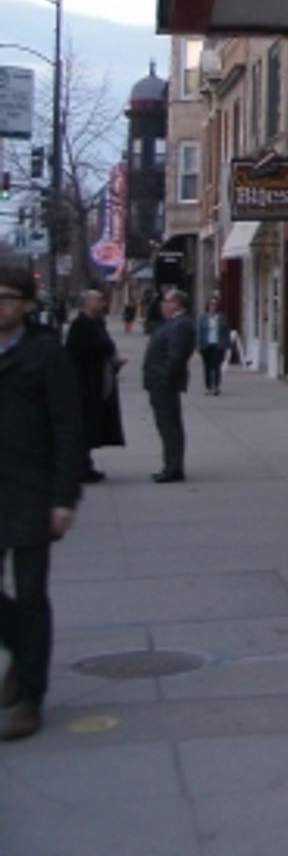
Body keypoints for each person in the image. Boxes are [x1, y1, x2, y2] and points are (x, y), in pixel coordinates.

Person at [0, 257, 83, 741]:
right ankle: (23, 649)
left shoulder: (45, 354)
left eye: (7, 299)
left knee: (31, 595)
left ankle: (30, 695)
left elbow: (69, 428)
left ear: (26, 306)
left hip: (32, 491)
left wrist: (64, 496)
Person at [65, 289, 125, 482]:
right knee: (84, 427)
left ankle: (86, 464)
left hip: (97, 384)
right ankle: (81, 467)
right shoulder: (80, 326)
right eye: (99, 300)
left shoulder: (97, 324)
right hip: (84, 386)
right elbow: (79, 353)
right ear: (87, 304)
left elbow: (106, 345)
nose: (103, 304)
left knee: (91, 427)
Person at [142, 288, 196, 483]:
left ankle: (173, 467)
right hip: (158, 381)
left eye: (166, 302)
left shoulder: (181, 325)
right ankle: (171, 465)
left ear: (177, 304)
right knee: (166, 425)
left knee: (169, 426)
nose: (162, 305)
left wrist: (165, 379)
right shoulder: (170, 323)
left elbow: (176, 356)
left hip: (164, 383)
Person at [196, 294, 231, 395]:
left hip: (218, 345)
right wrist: (198, 345)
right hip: (206, 345)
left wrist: (227, 345)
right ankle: (208, 387)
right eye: (211, 304)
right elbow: (198, 332)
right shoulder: (202, 318)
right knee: (207, 367)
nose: (213, 306)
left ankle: (216, 387)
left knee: (216, 367)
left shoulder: (221, 318)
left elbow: (226, 332)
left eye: (215, 304)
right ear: (208, 305)